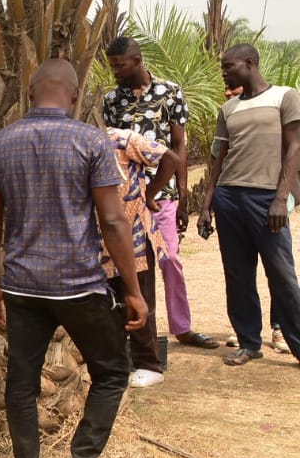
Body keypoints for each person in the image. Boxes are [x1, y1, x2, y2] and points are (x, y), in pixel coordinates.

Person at [0, 59, 145, 458]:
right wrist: (132, 289)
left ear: (32, 93)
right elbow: (112, 220)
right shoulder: (89, 140)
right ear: (73, 96)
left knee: (21, 384)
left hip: (22, 285)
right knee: (113, 372)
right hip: (79, 286)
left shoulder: (1, 143)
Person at [103, 37, 219, 350]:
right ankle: (137, 334)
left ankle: (182, 328)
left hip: (163, 194)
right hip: (126, 194)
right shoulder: (112, 100)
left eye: (119, 65)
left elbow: (178, 145)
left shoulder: (170, 92)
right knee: (132, 264)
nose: (114, 70)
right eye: (112, 65)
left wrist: (181, 196)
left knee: (170, 260)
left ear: (137, 60)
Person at [197, 43, 300, 367]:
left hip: (266, 197)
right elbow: (217, 158)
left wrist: (281, 198)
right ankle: (249, 342)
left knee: (282, 274)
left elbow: (295, 147)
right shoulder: (228, 109)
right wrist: (206, 205)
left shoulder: (285, 96)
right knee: (238, 275)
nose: (224, 73)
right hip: (229, 197)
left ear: (249, 63)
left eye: (229, 67)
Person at [104, 127, 177, 387]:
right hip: (97, 237)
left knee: (139, 297)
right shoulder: (75, 141)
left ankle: (149, 363)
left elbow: (170, 157)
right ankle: (115, 363)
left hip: (132, 232)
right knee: (108, 302)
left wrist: (149, 194)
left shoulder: (122, 139)